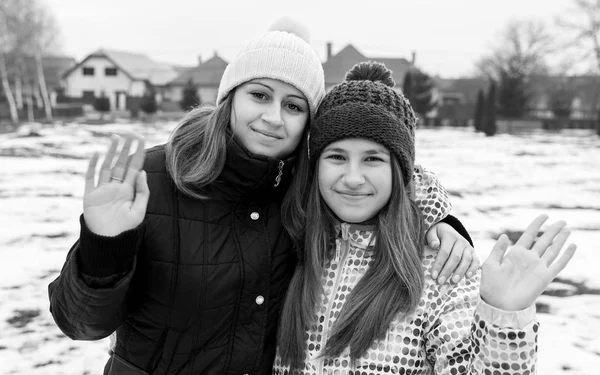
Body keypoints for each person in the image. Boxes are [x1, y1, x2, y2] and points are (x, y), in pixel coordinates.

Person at [48, 21, 476, 375]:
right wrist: (104, 246)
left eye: (293, 106)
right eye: (259, 95)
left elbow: (385, 170)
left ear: (309, 124)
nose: (273, 118)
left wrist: (438, 217)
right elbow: (80, 324)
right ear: (229, 97)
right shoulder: (155, 179)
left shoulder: (305, 191)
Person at [273, 62, 577, 374]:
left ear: (401, 172)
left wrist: (504, 318)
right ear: (315, 165)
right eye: (337, 157)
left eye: (373, 159)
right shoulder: (287, 245)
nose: (353, 178)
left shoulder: (441, 270)